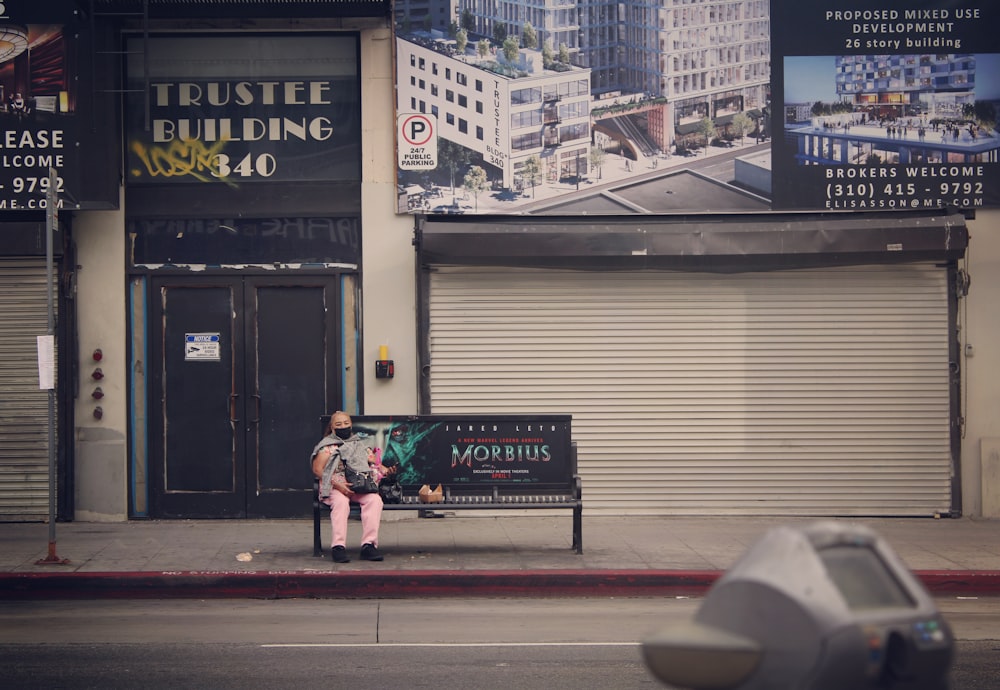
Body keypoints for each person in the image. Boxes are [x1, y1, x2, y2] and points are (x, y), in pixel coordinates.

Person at [311, 410, 384, 563]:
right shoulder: (326, 447)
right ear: (332, 427)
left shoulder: (358, 444)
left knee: (374, 500)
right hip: (334, 487)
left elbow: (372, 463)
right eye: (338, 424)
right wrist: (337, 484)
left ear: (351, 425)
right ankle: (338, 547)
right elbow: (317, 470)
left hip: (358, 485)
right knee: (341, 503)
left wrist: (382, 468)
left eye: (346, 423)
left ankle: (368, 545)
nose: (343, 426)